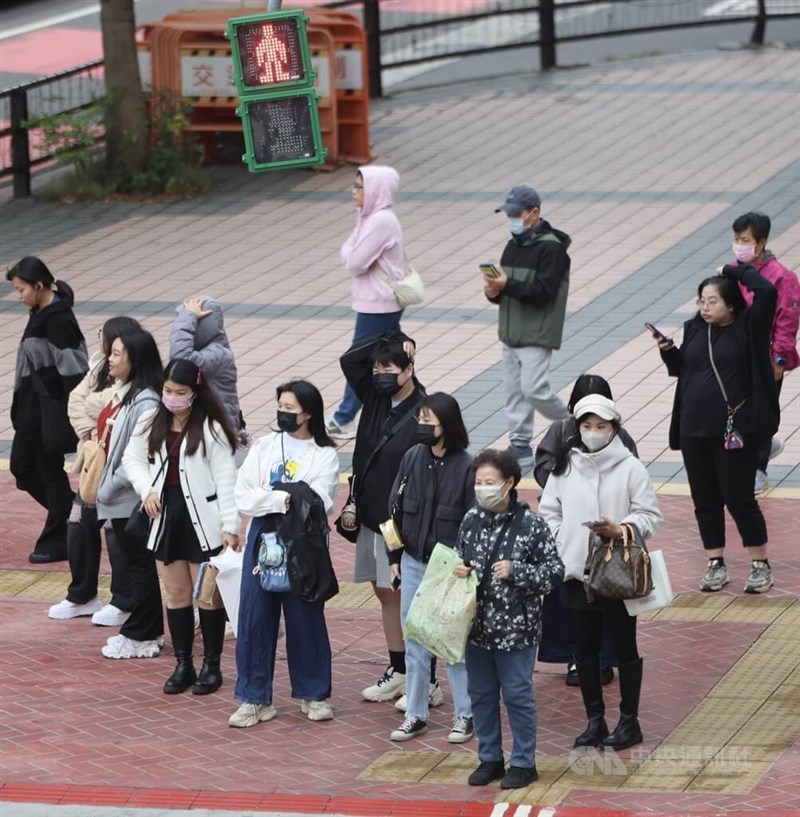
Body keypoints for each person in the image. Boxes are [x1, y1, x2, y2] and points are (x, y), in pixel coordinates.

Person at [539, 395, 662, 752]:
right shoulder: (565, 467)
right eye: (587, 426)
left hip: (620, 573)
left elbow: (650, 515)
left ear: (614, 428)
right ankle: (595, 720)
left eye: (601, 426)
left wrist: (621, 529)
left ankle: (629, 721)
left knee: (625, 647)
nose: (593, 433)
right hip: (578, 573)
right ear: (577, 428)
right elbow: (549, 512)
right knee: (585, 649)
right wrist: (565, 542)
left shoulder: (631, 468)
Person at [655, 264, 778, 594]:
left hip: (732, 431)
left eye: (712, 301)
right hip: (693, 430)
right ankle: (715, 563)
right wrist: (669, 353)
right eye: (701, 301)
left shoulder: (748, 328)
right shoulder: (695, 329)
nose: (705, 307)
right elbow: (684, 369)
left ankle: (759, 564)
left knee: (739, 499)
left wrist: (734, 271)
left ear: (731, 304)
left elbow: (767, 292)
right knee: (704, 499)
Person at [123, 358, 239, 695]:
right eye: (168, 390)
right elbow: (132, 460)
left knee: (207, 596)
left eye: (180, 392)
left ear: (196, 392)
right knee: (175, 594)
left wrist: (230, 524)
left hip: (204, 520)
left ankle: (211, 666)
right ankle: (183, 663)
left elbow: (225, 478)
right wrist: (147, 490)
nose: (172, 397)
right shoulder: (150, 420)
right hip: (166, 517)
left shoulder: (210, 428)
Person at [230, 380, 339, 727]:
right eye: (280, 406)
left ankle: (314, 693)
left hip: (303, 543)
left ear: (308, 413)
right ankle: (254, 697)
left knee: (305, 618)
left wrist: (274, 494)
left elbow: (318, 501)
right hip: (263, 536)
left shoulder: (325, 455)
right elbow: (244, 494)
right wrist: (281, 498)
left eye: (290, 408)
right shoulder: (264, 446)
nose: (283, 413)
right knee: (255, 619)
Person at [453, 449, 564, 790]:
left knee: (517, 694)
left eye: (490, 483)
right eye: (479, 483)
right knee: (482, 694)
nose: (483, 488)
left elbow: (554, 572)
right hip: (477, 628)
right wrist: (459, 569)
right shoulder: (471, 519)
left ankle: (523, 762)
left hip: (516, 629)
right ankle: (489, 758)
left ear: (509, 483)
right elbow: (459, 557)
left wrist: (518, 572)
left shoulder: (530, 524)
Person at [534, 373, 639, 685]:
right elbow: (543, 470)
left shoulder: (621, 440)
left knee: (610, 601)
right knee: (568, 604)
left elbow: (635, 487)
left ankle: (606, 660)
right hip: (572, 540)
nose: (592, 429)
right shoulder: (561, 430)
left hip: (611, 540)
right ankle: (573, 659)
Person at [341, 330, 426, 704]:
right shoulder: (376, 397)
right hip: (372, 516)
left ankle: (427, 679)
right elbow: (349, 360)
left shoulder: (425, 409)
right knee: (384, 593)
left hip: (402, 524)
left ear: (410, 368)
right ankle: (400, 670)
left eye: (389, 367)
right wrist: (393, 336)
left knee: (409, 596)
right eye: (376, 368)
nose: (380, 374)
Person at [386, 393, 475, 744]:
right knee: (415, 641)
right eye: (419, 420)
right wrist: (394, 558)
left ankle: (465, 715)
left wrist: (467, 565)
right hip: (411, 562)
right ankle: (416, 714)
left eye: (429, 421)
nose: (421, 427)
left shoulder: (467, 466)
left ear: (447, 426)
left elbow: (474, 523)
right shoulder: (412, 458)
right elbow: (393, 511)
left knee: (452, 643)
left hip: (450, 569)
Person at [48, 316, 142, 620]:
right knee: (77, 524)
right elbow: (77, 400)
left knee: (117, 534)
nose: (105, 347)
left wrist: (96, 407)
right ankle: (82, 595)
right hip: (94, 461)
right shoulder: (101, 366)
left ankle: (124, 602)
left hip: (120, 470)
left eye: (110, 342)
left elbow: (104, 403)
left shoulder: (140, 378)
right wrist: (91, 430)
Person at [7, 257, 89, 564]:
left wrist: (74, 415)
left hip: (48, 413)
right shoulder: (42, 311)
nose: (19, 296)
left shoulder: (58, 320)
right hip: (32, 411)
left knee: (47, 472)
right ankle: (73, 514)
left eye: (21, 289)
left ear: (39, 286)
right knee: (23, 468)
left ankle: (63, 535)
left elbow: (75, 372)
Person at [483, 186, 571, 468]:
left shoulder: (552, 249)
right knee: (513, 391)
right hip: (511, 332)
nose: (512, 219)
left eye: (516, 214)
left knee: (534, 389)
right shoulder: (512, 247)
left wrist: (506, 285)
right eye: (508, 214)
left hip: (536, 332)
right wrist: (494, 293)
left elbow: (542, 292)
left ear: (534, 213)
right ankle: (519, 444)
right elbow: (512, 291)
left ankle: (572, 423)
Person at [95, 328, 165, 658]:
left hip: (130, 499)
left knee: (139, 567)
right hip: (122, 498)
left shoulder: (147, 401)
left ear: (135, 360)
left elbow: (138, 457)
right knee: (136, 566)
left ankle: (143, 633)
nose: (110, 358)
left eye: (117, 353)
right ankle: (145, 629)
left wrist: (109, 486)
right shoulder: (132, 394)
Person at [326, 166, 405, 441]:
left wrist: (350, 255)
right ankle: (354, 416)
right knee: (377, 360)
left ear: (375, 190)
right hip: (374, 302)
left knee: (359, 360)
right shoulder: (368, 217)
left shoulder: (381, 221)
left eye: (360, 187)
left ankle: (344, 417)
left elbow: (355, 262)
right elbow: (351, 253)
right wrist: (351, 254)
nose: (354, 192)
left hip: (379, 304)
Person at [729, 212, 799, 494]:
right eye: (736, 239)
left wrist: (779, 358)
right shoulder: (731, 272)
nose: (739, 245)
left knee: (761, 411)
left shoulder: (782, 278)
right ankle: (763, 445)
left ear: (761, 243)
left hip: (766, 357)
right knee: (737, 410)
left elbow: (787, 320)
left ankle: (758, 468)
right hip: (735, 356)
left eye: (745, 240)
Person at [169, 296, 248, 447]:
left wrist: (188, 317)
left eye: (191, 322)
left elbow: (181, 359)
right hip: (206, 428)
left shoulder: (219, 354)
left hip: (217, 433)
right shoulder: (204, 351)